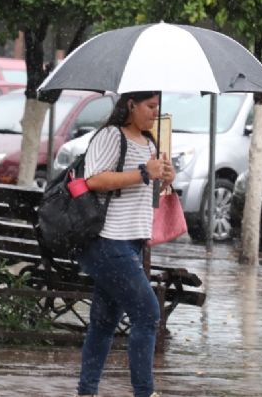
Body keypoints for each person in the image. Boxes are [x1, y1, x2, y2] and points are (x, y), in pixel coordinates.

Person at [75, 91, 174, 397]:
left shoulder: (150, 142)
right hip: (108, 241)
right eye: (150, 106)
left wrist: (165, 177)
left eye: (157, 106)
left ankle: (86, 391)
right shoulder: (110, 136)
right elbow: (94, 180)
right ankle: (144, 392)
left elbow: (145, 192)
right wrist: (144, 172)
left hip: (132, 242)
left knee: (104, 323)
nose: (155, 113)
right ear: (131, 105)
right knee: (148, 314)